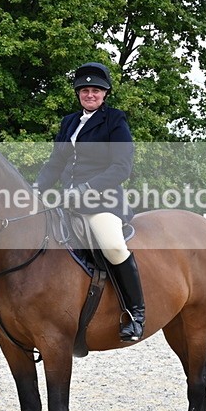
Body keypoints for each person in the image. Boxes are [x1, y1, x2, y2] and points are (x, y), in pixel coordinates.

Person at [35, 62, 145, 342]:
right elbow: (55, 163)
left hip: (102, 201)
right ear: (78, 93)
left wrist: (85, 189)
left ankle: (135, 313)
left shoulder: (115, 120)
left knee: (112, 246)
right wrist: (35, 187)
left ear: (105, 93)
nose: (90, 94)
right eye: (85, 90)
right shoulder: (69, 123)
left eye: (95, 90)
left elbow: (122, 167)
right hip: (67, 203)